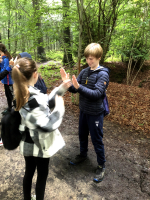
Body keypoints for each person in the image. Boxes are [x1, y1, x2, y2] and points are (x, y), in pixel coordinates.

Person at [12, 57, 71, 200]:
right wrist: (59, 109)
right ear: (35, 75)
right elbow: (47, 125)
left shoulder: (22, 93)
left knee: (29, 172)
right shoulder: (32, 98)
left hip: (27, 142)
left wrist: (63, 86)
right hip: (39, 144)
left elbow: (45, 103)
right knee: (42, 176)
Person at [60, 43, 110, 183]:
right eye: (87, 58)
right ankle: (83, 155)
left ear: (99, 57)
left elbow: (97, 94)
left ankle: (101, 165)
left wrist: (79, 87)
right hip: (84, 111)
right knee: (82, 134)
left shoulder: (103, 74)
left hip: (95, 113)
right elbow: (76, 89)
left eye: (92, 59)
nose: (89, 61)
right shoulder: (85, 71)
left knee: (96, 139)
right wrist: (68, 84)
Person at [0, 43, 13, 115]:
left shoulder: (5, 58)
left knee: (10, 95)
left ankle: (11, 110)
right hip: (5, 80)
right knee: (8, 94)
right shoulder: (3, 58)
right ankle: (10, 108)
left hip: (8, 80)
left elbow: (5, 70)